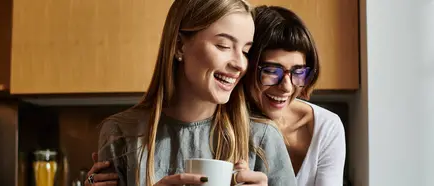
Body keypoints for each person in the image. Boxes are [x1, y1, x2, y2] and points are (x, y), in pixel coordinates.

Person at [85, 0, 296, 186]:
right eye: (223, 46)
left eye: (245, 51)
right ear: (179, 46)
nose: (240, 63)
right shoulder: (120, 133)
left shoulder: (262, 138)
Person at [243, 5, 347, 186]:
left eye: (298, 72)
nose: (287, 87)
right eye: (271, 71)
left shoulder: (325, 128)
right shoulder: (225, 123)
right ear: (246, 66)